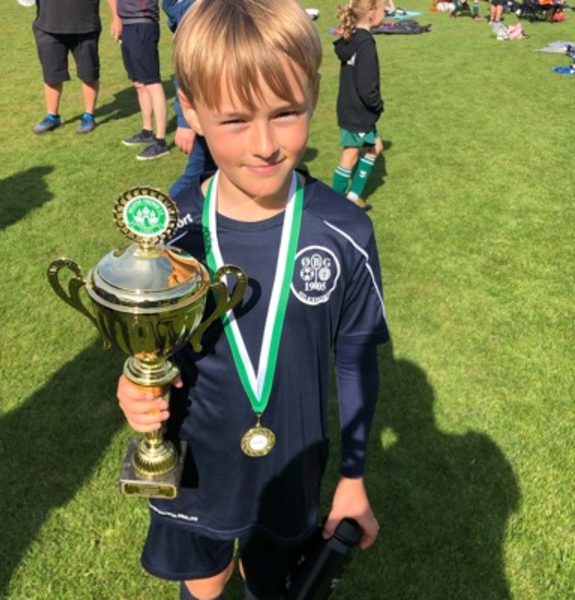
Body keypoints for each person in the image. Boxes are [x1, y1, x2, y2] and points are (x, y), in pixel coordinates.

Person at [116, 1, 389, 598]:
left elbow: (355, 358)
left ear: (313, 94)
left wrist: (353, 476)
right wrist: (134, 385)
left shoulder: (344, 232)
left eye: (285, 112)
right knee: (204, 582)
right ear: (191, 109)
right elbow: (150, 347)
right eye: (236, 120)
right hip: (196, 469)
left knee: (271, 583)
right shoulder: (173, 236)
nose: (265, 144)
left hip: (291, 469)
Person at [31, 0, 121, 135]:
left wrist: (117, 17)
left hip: (85, 26)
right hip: (48, 26)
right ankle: (52, 116)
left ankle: (89, 116)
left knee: (89, 74)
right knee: (51, 74)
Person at [331, 0, 385, 210]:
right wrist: (377, 105)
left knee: (375, 147)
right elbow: (366, 86)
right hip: (359, 111)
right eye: (382, 8)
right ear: (371, 13)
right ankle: (333, 206)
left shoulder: (351, 38)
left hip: (350, 108)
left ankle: (353, 197)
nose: (385, 12)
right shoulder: (366, 45)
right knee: (350, 156)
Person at [161, 0, 216, 199]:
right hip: (208, 102)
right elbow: (186, 68)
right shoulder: (175, 5)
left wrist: (186, 122)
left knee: (201, 172)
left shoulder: (198, 8)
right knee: (200, 172)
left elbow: (190, 68)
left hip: (220, 100)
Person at [118, 0, 169, 160]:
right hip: (127, 24)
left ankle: (160, 142)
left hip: (142, 24)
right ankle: (147, 132)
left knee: (152, 82)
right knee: (139, 83)